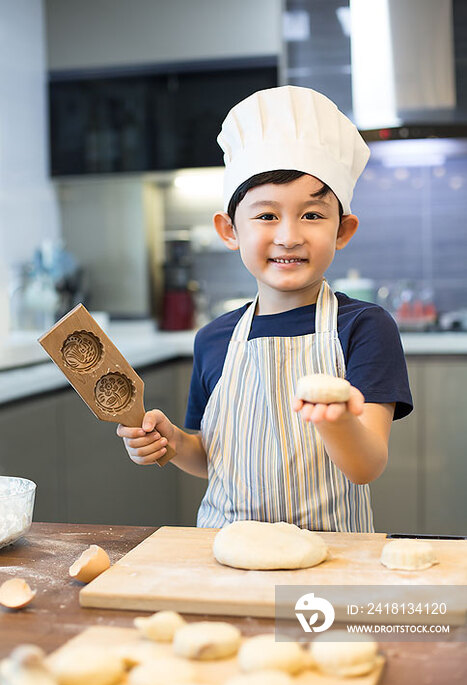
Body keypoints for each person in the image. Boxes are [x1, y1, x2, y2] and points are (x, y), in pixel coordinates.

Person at [117, 85, 413, 532]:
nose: (289, 235)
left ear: (343, 230)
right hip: (224, 557)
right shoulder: (214, 338)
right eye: (266, 215)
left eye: (312, 215)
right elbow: (212, 459)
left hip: (329, 564)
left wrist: (335, 422)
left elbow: (366, 466)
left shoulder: (365, 328)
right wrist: (175, 442)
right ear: (229, 229)